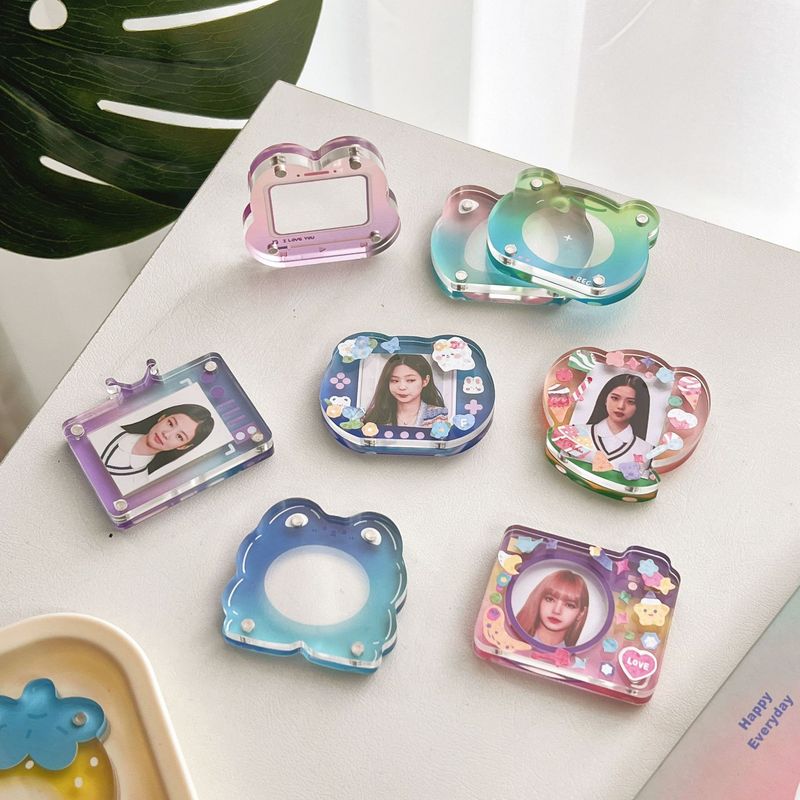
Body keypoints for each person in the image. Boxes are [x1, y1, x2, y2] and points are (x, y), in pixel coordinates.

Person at [99, 404, 214, 492]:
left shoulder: (138, 484)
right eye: (170, 423)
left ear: (183, 446)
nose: (166, 434)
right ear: (162, 417)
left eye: (179, 436)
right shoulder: (105, 429)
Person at [583, 373, 652, 467]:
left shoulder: (647, 450)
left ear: (639, 406)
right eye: (615, 398)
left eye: (630, 402)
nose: (621, 406)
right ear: (605, 399)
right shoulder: (576, 432)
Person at [363, 355, 448, 428]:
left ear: (425, 381)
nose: (402, 387)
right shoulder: (375, 417)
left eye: (410, 380)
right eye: (395, 380)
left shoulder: (439, 416)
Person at [516, 569, 589, 647]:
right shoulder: (511, 639)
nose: (556, 611)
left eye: (569, 605)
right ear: (538, 599)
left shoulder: (574, 655)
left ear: (581, 614)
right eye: (550, 599)